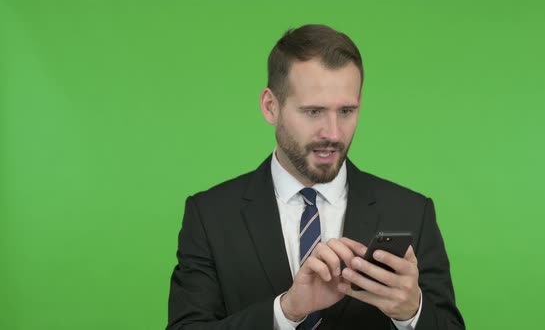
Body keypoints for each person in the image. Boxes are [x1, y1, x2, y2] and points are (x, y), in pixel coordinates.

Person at [167, 24, 464, 330]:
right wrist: (286, 311)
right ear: (271, 107)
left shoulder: (412, 213)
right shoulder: (210, 215)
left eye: (346, 111)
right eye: (313, 112)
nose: (333, 133)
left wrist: (411, 312)